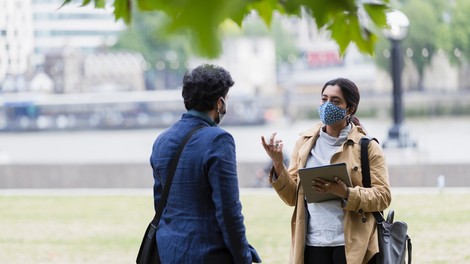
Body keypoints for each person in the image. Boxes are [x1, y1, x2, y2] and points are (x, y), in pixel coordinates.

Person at [260, 78, 391, 264]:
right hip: (312, 244)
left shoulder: (367, 147)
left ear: (350, 109)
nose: (327, 105)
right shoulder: (304, 143)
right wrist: (278, 164)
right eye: (324, 99)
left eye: (335, 101)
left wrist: (346, 193)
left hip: (353, 247)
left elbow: (383, 196)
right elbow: (291, 197)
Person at [149, 64, 261, 264]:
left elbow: (161, 204)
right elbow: (229, 211)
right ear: (220, 103)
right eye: (226, 99)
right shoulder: (218, 140)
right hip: (209, 254)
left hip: (169, 252)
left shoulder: (162, 140)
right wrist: (243, 258)